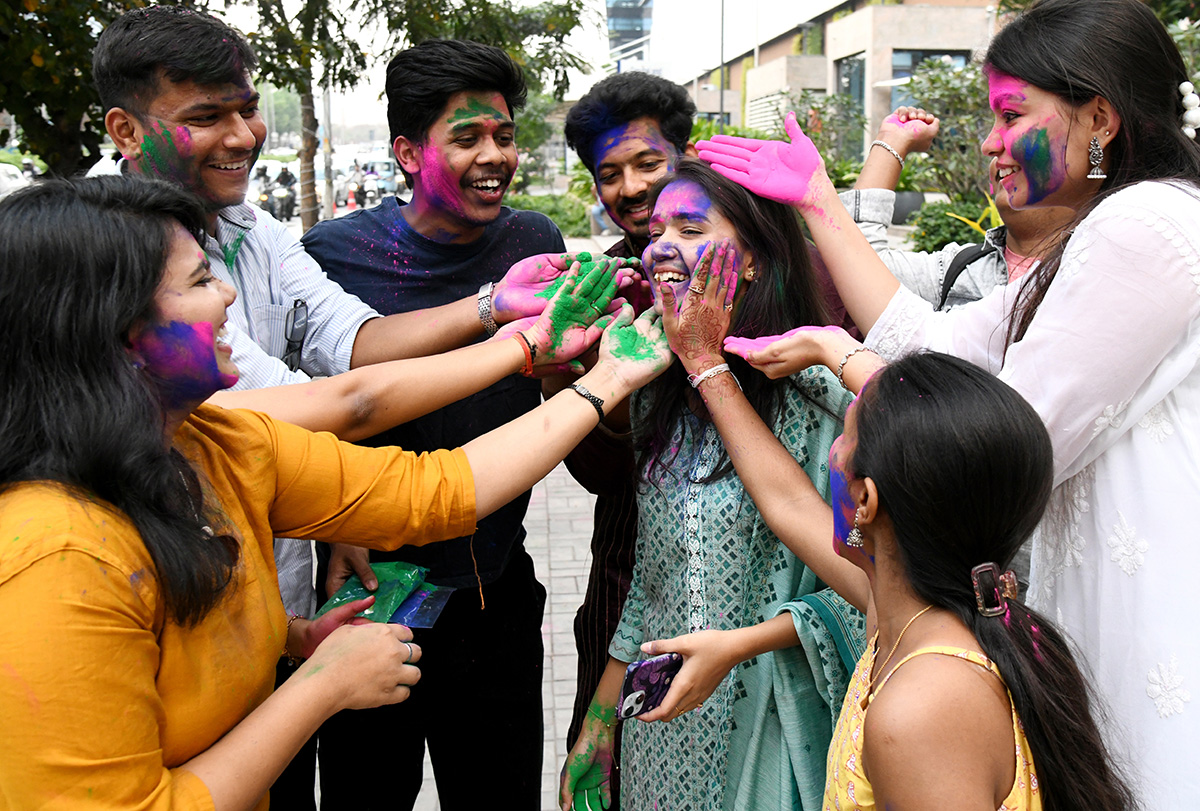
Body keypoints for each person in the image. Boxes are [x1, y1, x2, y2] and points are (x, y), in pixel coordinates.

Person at [0, 174, 670, 811]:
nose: (229, 296)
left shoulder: (209, 444)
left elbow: (433, 490)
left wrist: (288, 637)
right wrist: (321, 687)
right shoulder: (55, 558)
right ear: (122, 334)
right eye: (202, 279)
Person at [701, 0, 1200, 804]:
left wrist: (837, 359)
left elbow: (998, 430)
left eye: (1011, 114)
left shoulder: (1144, 224)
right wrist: (819, 202)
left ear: (1099, 117)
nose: (992, 140)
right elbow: (933, 339)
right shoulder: (1108, 225)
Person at [91, 17, 574, 799]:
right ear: (126, 127)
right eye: (206, 117)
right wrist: (531, 348)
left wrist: (494, 308)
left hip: (278, 621)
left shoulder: (254, 229)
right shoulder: (105, 249)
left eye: (246, 109)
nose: (244, 135)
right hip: (163, 623)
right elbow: (338, 404)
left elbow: (352, 344)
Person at [299, 39, 567, 810]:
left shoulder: (533, 242)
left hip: (496, 590)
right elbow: (307, 404)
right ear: (408, 153)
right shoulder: (334, 257)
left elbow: (542, 381)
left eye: (505, 135)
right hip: (372, 597)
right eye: (468, 137)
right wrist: (331, 524)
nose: (495, 155)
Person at [560, 159, 861, 811]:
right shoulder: (657, 399)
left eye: (691, 227)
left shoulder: (824, 407)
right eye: (659, 227)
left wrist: (741, 644)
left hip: (775, 726)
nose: (662, 244)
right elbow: (652, 576)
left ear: (752, 262)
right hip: (663, 730)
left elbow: (875, 594)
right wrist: (600, 719)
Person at [557, 71, 698, 804]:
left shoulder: (759, 264)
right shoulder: (594, 291)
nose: (632, 188)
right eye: (609, 175)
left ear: (687, 154)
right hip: (627, 576)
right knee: (607, 778)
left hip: (757, 589)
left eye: (648, 163)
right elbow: (594, 470)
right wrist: (602, 378)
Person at [844, 106, 1075, 307]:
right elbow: (854, 268)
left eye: (1012, 117)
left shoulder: (1099, 273)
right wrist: (891, 140)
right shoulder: (957, 271)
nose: (989, 146)